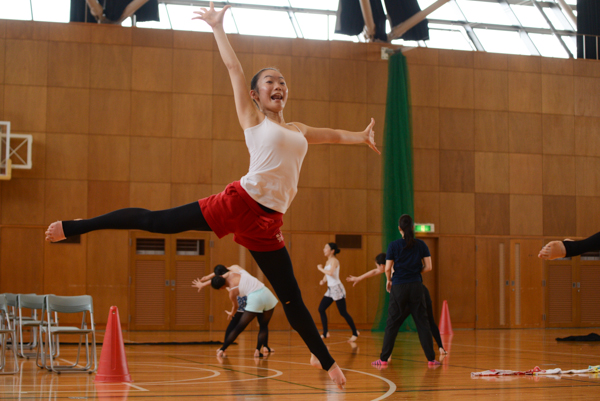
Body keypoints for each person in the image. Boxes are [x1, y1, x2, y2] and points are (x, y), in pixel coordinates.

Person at [45, 2, 380, 389]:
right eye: (270, 81)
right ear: (255, 94)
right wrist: (219, 28)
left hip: (269, 223)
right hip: (239, 203)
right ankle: (75, 226)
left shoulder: (299, 129)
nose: (278, 86)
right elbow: (234, 69)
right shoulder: (252, 118)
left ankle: (328, 364)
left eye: (282, 81)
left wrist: (360, 136)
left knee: (292, 297)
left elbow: (333, 135)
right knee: (156, 222)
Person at [372, 215, 440, 367]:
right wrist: (414, 273)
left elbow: (388, 268)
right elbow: (428, 267)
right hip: (416, 286)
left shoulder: (393, 245)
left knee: (392, 324)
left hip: (399, 287)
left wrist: (389, 280)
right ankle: (431, 359)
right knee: (422, 323)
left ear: (399, 229)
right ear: (413, 228)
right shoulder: (421, 245)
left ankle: (383, 359)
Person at [347, 253, 447, 356]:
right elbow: (374, 271)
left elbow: (377, 272)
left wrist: (389, 281)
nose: (377, 268)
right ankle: (440, 348)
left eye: (377, 266)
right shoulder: (395, 266)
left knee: (394, 325)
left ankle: (386, 354)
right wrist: (359, 278)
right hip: (419, 292)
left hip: (413, 296)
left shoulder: (394, 269)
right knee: (426, 322)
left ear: (382, 265)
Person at [194, 264, 277, 358]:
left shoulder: (232, 291)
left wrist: (232, 313)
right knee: (263, 326)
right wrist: (207, 278)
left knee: (238, 327)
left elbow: (235, 306)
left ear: (222, 287)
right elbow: (220, 276)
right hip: (267, 294)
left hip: (254, 299)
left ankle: (222, 349)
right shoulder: (234, 271)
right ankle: (259, 349)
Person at [317, 243, 359, 342]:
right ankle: (325, 332)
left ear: (332, 251)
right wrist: (323, 280)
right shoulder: (328, 261)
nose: (324, 249)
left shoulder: (335, 261)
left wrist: (320, 269)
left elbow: (331, 273)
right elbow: (328, 274)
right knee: (321, 309)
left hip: (337, 289)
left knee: (343, 312)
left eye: (326, 247)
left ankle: (355, 332)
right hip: (330, 289)